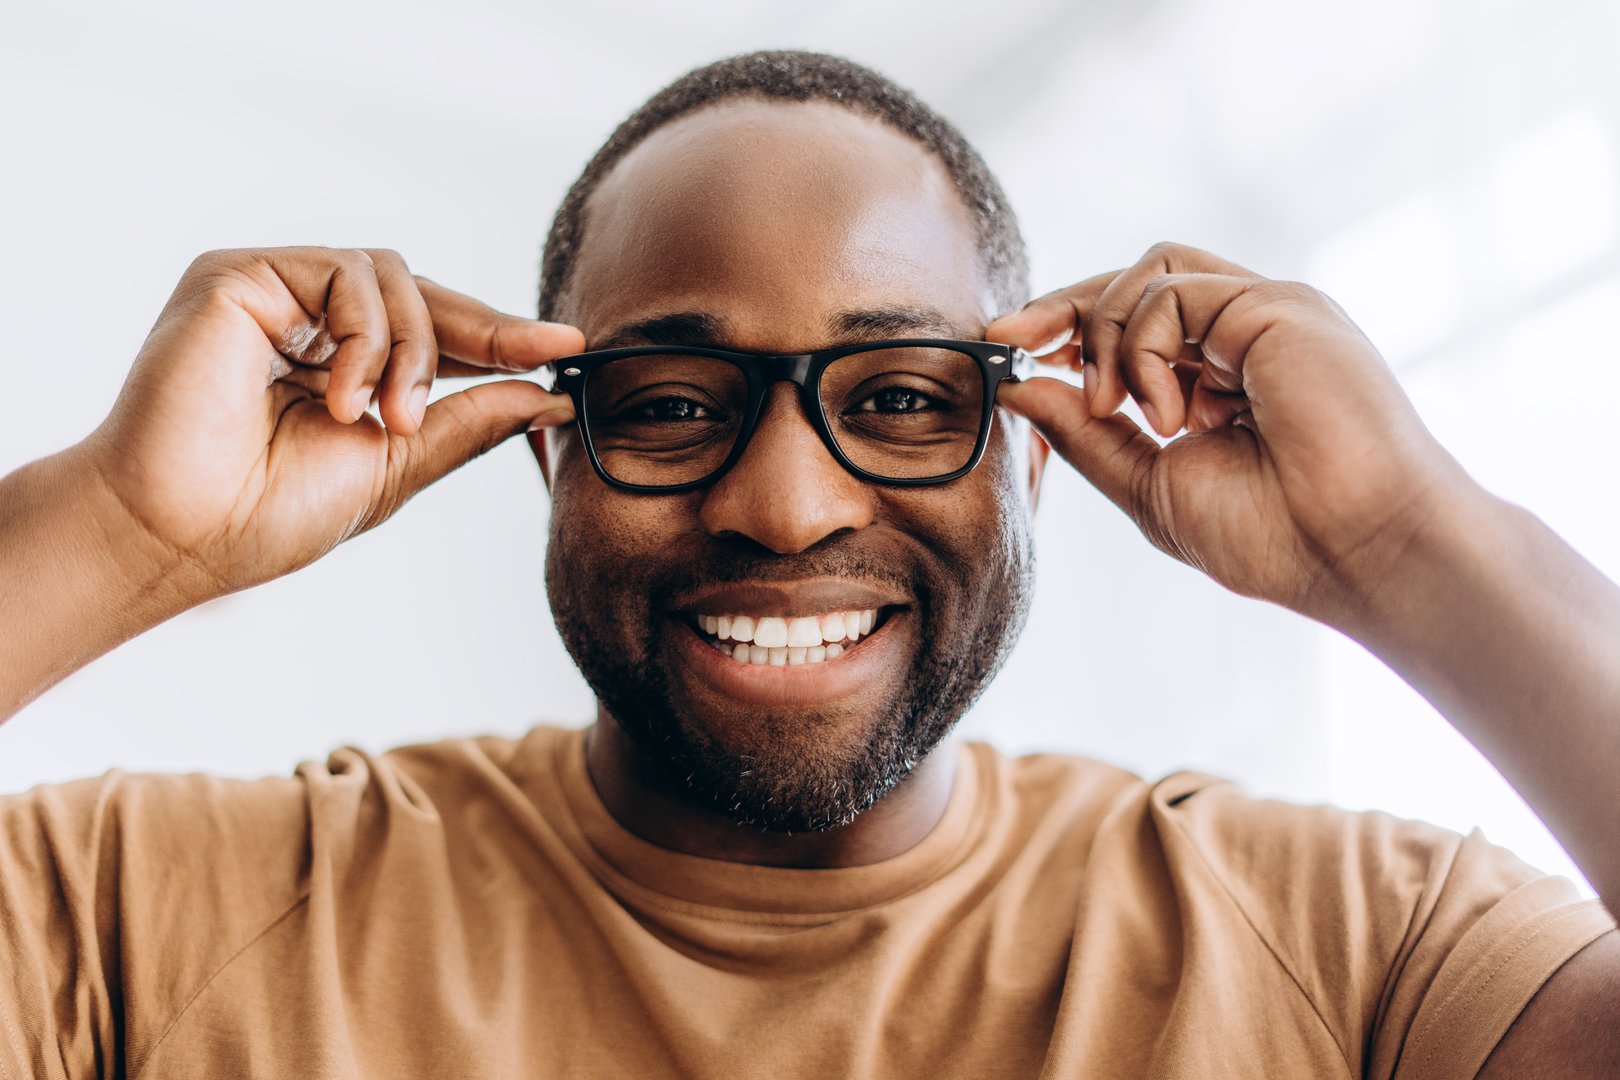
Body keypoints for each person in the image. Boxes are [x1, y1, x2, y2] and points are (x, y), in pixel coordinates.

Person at [0, 49, 1615, 1078]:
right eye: (674, 402)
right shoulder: (141, 926)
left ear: (1031, 449)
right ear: (553, 450)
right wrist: (121, 532)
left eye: (905, 399)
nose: (784, 505)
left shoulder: (1359, 950)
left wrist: (1413, 546)